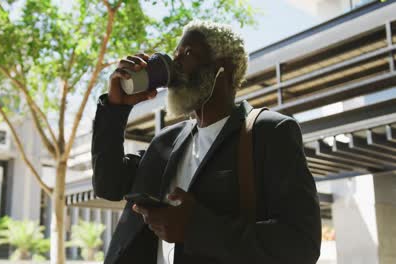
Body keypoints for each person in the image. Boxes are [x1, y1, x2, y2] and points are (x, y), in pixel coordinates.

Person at [92, 20, 321, 264]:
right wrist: (115, 109)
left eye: (188, 54)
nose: (175, 63)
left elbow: (301, 243)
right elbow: (110, 185)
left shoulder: (269, 132)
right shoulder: (167, 140)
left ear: (223, 68)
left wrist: (195, 228)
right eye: (175, 55)